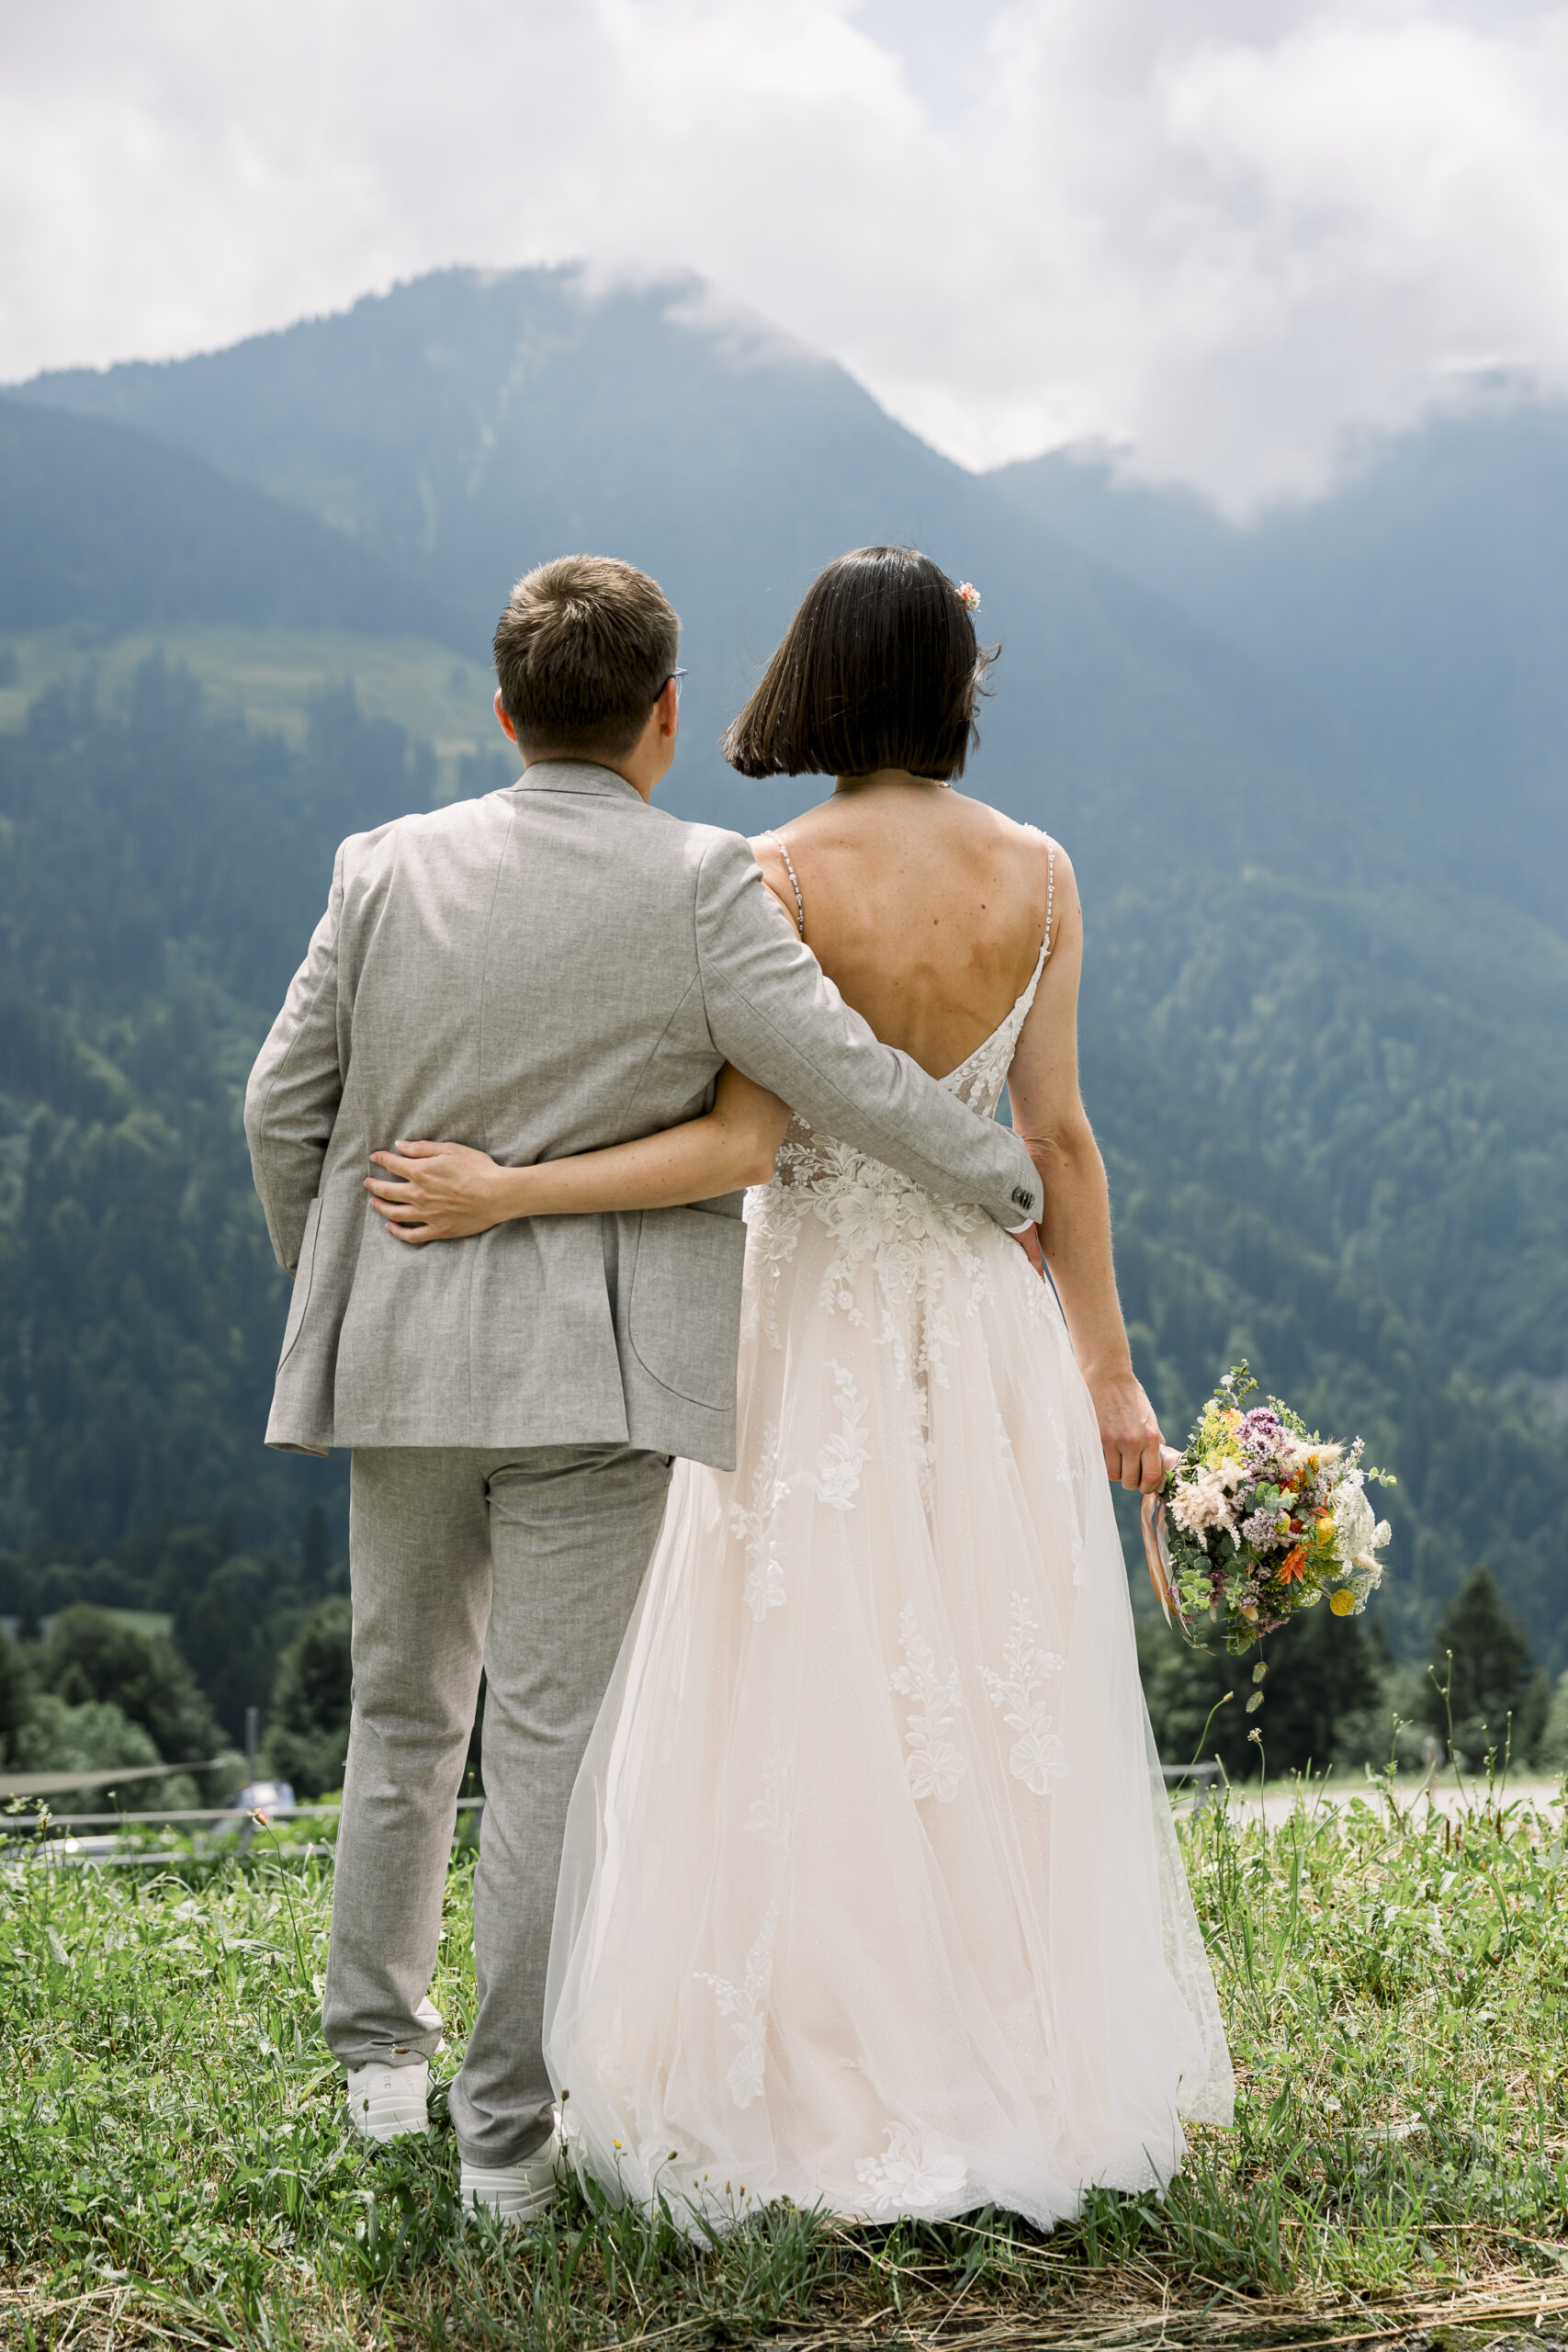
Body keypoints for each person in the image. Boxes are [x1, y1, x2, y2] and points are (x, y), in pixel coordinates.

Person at [370, 546, 1234, 2233]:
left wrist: (512, 1188)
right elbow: (1055, 1139)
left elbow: (752, 1144)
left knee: (790, 1680)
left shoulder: (767, 874)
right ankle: (1010, 2052)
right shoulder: (1039, 872)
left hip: (800, 1311)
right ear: (951, 693)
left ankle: (804, 2059)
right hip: (980, 1323)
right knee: (985, 1684)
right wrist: (1111, 1373)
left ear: (811, 682)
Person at [243, 554, 1045, 2222]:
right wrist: (997, 1175)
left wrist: (348, 1288)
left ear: (503, 710)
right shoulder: (701, 885)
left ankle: (378, 2065)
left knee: (401, 1714)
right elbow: (834, 1073)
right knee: (546, 1747)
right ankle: (504, 2149)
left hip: (400, 1358)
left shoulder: (378, 868)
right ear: (666, 714)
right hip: (600, 1382)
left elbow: (279, 1107)